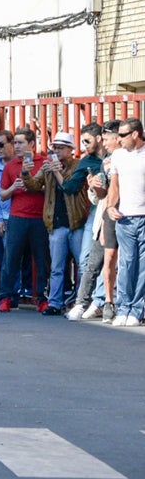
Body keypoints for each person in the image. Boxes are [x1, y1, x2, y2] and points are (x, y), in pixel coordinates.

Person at [23, 132, 92, 316]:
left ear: (70, 150)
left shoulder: (78, 164)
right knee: (57, 267)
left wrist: (56, 170)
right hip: (56, 223)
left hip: (76, 222)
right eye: (55, 147)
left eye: (61, 147)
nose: (57, 151)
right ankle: (55, 302)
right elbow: (34, 186)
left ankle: (81, 302)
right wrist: (25, 172)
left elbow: (70, 187)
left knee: (82, 265)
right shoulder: (47, 167)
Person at [0, 128, 50, 313]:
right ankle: (5, 297)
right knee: (11, 259)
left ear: (32, 144)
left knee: (42, 260)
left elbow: (53, 190)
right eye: (15, 143)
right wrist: (13, 187)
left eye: (20, 142)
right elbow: (2, 195)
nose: (16, 146)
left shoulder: (45, 162)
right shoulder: (10, 166)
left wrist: (36, 185)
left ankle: (42, 298)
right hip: (17, 217)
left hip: (40, 218)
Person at [74, 123, 120, 321]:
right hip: (106, 217)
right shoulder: (107, 162)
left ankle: (109, 303)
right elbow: (101, 194)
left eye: (107, 137)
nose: (104, 141)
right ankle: (82, 303)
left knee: (125, 264)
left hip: (132, 217)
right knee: (93, 263)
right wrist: (93, 186)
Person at [106, 118, 145, 326]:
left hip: (143, 217)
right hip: (125, 217)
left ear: (135, 134)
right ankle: (123, 308)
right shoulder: (118, 155)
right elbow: (115, 184)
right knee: (126, 263)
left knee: (142, 268)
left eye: (122, 135)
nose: (118, 139)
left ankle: (136, 310)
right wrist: (111, 206)